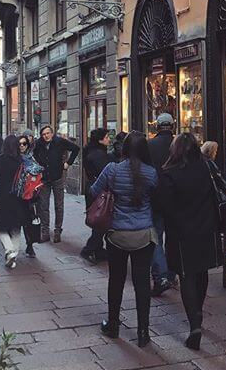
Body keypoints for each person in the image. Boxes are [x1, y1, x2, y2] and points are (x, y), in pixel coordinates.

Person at [90, 131, 157, 347]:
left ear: (124, 149)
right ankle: (143, 331)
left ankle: (113, 324)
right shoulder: (151, 173)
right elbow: (157, 199)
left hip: (117, 233)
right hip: (143, 233)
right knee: (142, 283)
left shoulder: (112, 169)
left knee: (116, 280)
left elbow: (93, 191)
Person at [156, 133, 223, 351]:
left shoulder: (169, 173)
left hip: (181, 232)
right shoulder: (206, 168)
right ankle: (199, 313)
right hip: (206, 228)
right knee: (202, 271)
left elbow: (164, 205)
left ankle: (194, 324)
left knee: (186, 275)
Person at [33, 125, 79, 243]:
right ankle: (45, 232)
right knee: (43, 206)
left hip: (57, 177)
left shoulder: (59, 142)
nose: (46, 136)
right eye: (43, 134)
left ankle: (58, 230)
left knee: (59, 205)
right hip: (44, 178)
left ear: (52, 133)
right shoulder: (38, 144)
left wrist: (68, 163)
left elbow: (76, 149)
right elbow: (33, 155)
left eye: (48, 133)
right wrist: (38, 166)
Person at [147, 113, 175, 296]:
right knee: (173, 237)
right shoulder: (179, 144)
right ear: (172, 126)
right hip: (176, 198)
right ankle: (172, 274)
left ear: (157, 126)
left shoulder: (150, 145)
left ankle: (161, 276)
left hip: (155, 197)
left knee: (156, 237)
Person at [0, 135, 28, 269]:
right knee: (16, 226)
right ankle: (14, 255)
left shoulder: (0, 159)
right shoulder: (22, 160)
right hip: (19, 197)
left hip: (4, 196)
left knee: (0, 226)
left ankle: (9, 251)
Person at [80, 128, 111, 264]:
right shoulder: (98, 155)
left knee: (98, 219)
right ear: (100, 140)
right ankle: (89, 249)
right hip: (98, 189)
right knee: (101, 219)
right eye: (106, 137)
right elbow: (105, 173)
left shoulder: (92, 151)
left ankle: (98, 249)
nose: (109, 139)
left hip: (92, 187)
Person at [19, 135, 42, 258]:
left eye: (24, 144)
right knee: (16, 222)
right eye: (20, 144)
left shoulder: (31, 158)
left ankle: (30, 245)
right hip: (16, 195)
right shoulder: (14, 158)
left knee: (28, 221)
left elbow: (38, 172)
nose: (22, 146)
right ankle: (11, 247)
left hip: (29, 195)